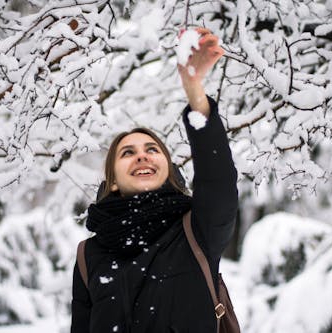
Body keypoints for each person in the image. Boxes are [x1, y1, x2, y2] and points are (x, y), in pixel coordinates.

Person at [71, 28, 238, 333]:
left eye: (152, 150)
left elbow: (219, 181)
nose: (142, 156)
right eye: (128, 153)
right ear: (114, 181)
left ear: (167, 169)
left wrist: (194, 91)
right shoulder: (89, 255)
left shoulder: (197, 230)